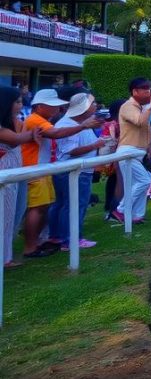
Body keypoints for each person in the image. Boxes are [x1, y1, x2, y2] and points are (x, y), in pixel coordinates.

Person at [21, 89, 100, 258]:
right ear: (40, 106)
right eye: (53, 106)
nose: (58, 109)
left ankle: (50, 240)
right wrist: (85, 129)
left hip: (46, 169)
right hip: (38, 169)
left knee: (52, 206)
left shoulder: (45, 120)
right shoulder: (38, 120)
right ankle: (50, 242)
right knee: (44, 208)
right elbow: (59, 138)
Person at [51, 93, 109, 251]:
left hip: (76, 170)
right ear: (83, 107)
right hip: (74, 171)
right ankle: (70, 239)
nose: (95, 106)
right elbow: (71, 151)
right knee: (74, 205)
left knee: (65, 205)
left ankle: (60, 237)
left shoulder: (79, 123)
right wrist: (96, 145)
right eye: (92, 103)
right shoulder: (68, 124)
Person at [1, 86, 41, 268]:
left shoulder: (12, 121)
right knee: (5, 215)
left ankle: (6, 256)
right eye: (17, 102)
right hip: (5, 174)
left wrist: (20, 123)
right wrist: (31, 134)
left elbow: (19, 132)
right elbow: (15, 139)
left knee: (15, 213)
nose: (20, 105)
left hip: (16, 172)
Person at [113, 78, 151, 224]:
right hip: (127, 151)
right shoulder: (128, 106)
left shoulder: (139, 108)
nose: (148, 91)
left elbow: (144, 128)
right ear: (135, 91)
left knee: (139, 183)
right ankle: (120, 210)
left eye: (149, 88)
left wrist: (148, 145)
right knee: (145, 181)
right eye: (144, 88)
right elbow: (139, 121)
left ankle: (136, 215)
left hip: (137, 152)